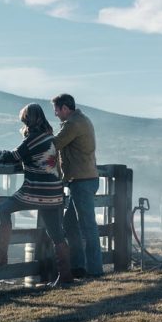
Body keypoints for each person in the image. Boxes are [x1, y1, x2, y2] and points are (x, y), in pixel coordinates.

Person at [0, 103, 73, 286]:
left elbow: (14, 156)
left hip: (36, 190)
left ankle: (1, 254)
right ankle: (65, 276)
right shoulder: (48, 137)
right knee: (56, 235)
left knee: (4, 209)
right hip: (54, 192)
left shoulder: (33, 139)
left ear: (28, 120)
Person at [52, 94, 102, 278]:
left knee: (88, 225)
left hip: (81, 181)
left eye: (57, 110)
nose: (56, 114)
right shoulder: (82, 120)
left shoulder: (72, 124)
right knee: (71, 223)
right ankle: (79, 266)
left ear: (65, 108)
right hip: (82, 179)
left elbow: (55, 144)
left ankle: (95, 270)